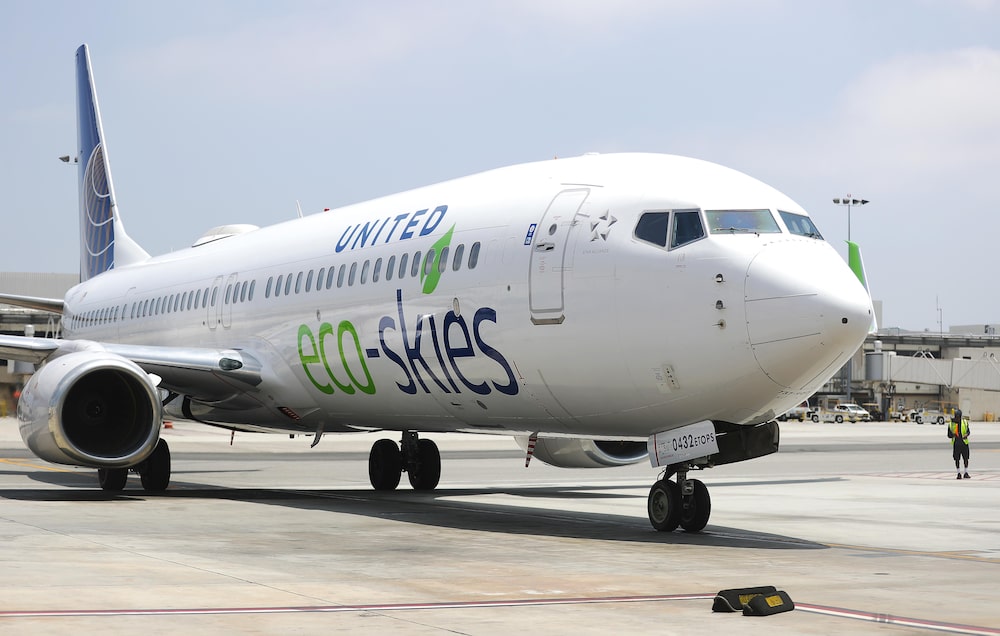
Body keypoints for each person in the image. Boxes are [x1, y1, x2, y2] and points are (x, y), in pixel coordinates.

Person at [948, 409, 970, 479]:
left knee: (966, 458)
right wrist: (953, 435)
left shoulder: (965, 422)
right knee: (957, 459)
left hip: (964, 443)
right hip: (956, 444)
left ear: (960, 416)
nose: (956, 418)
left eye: (957, 417)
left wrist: (966, 434)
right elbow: (949, 435)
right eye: (955, 416)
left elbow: (968, 431)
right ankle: (958, 473)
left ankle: (966, 472)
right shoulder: (951, 424)